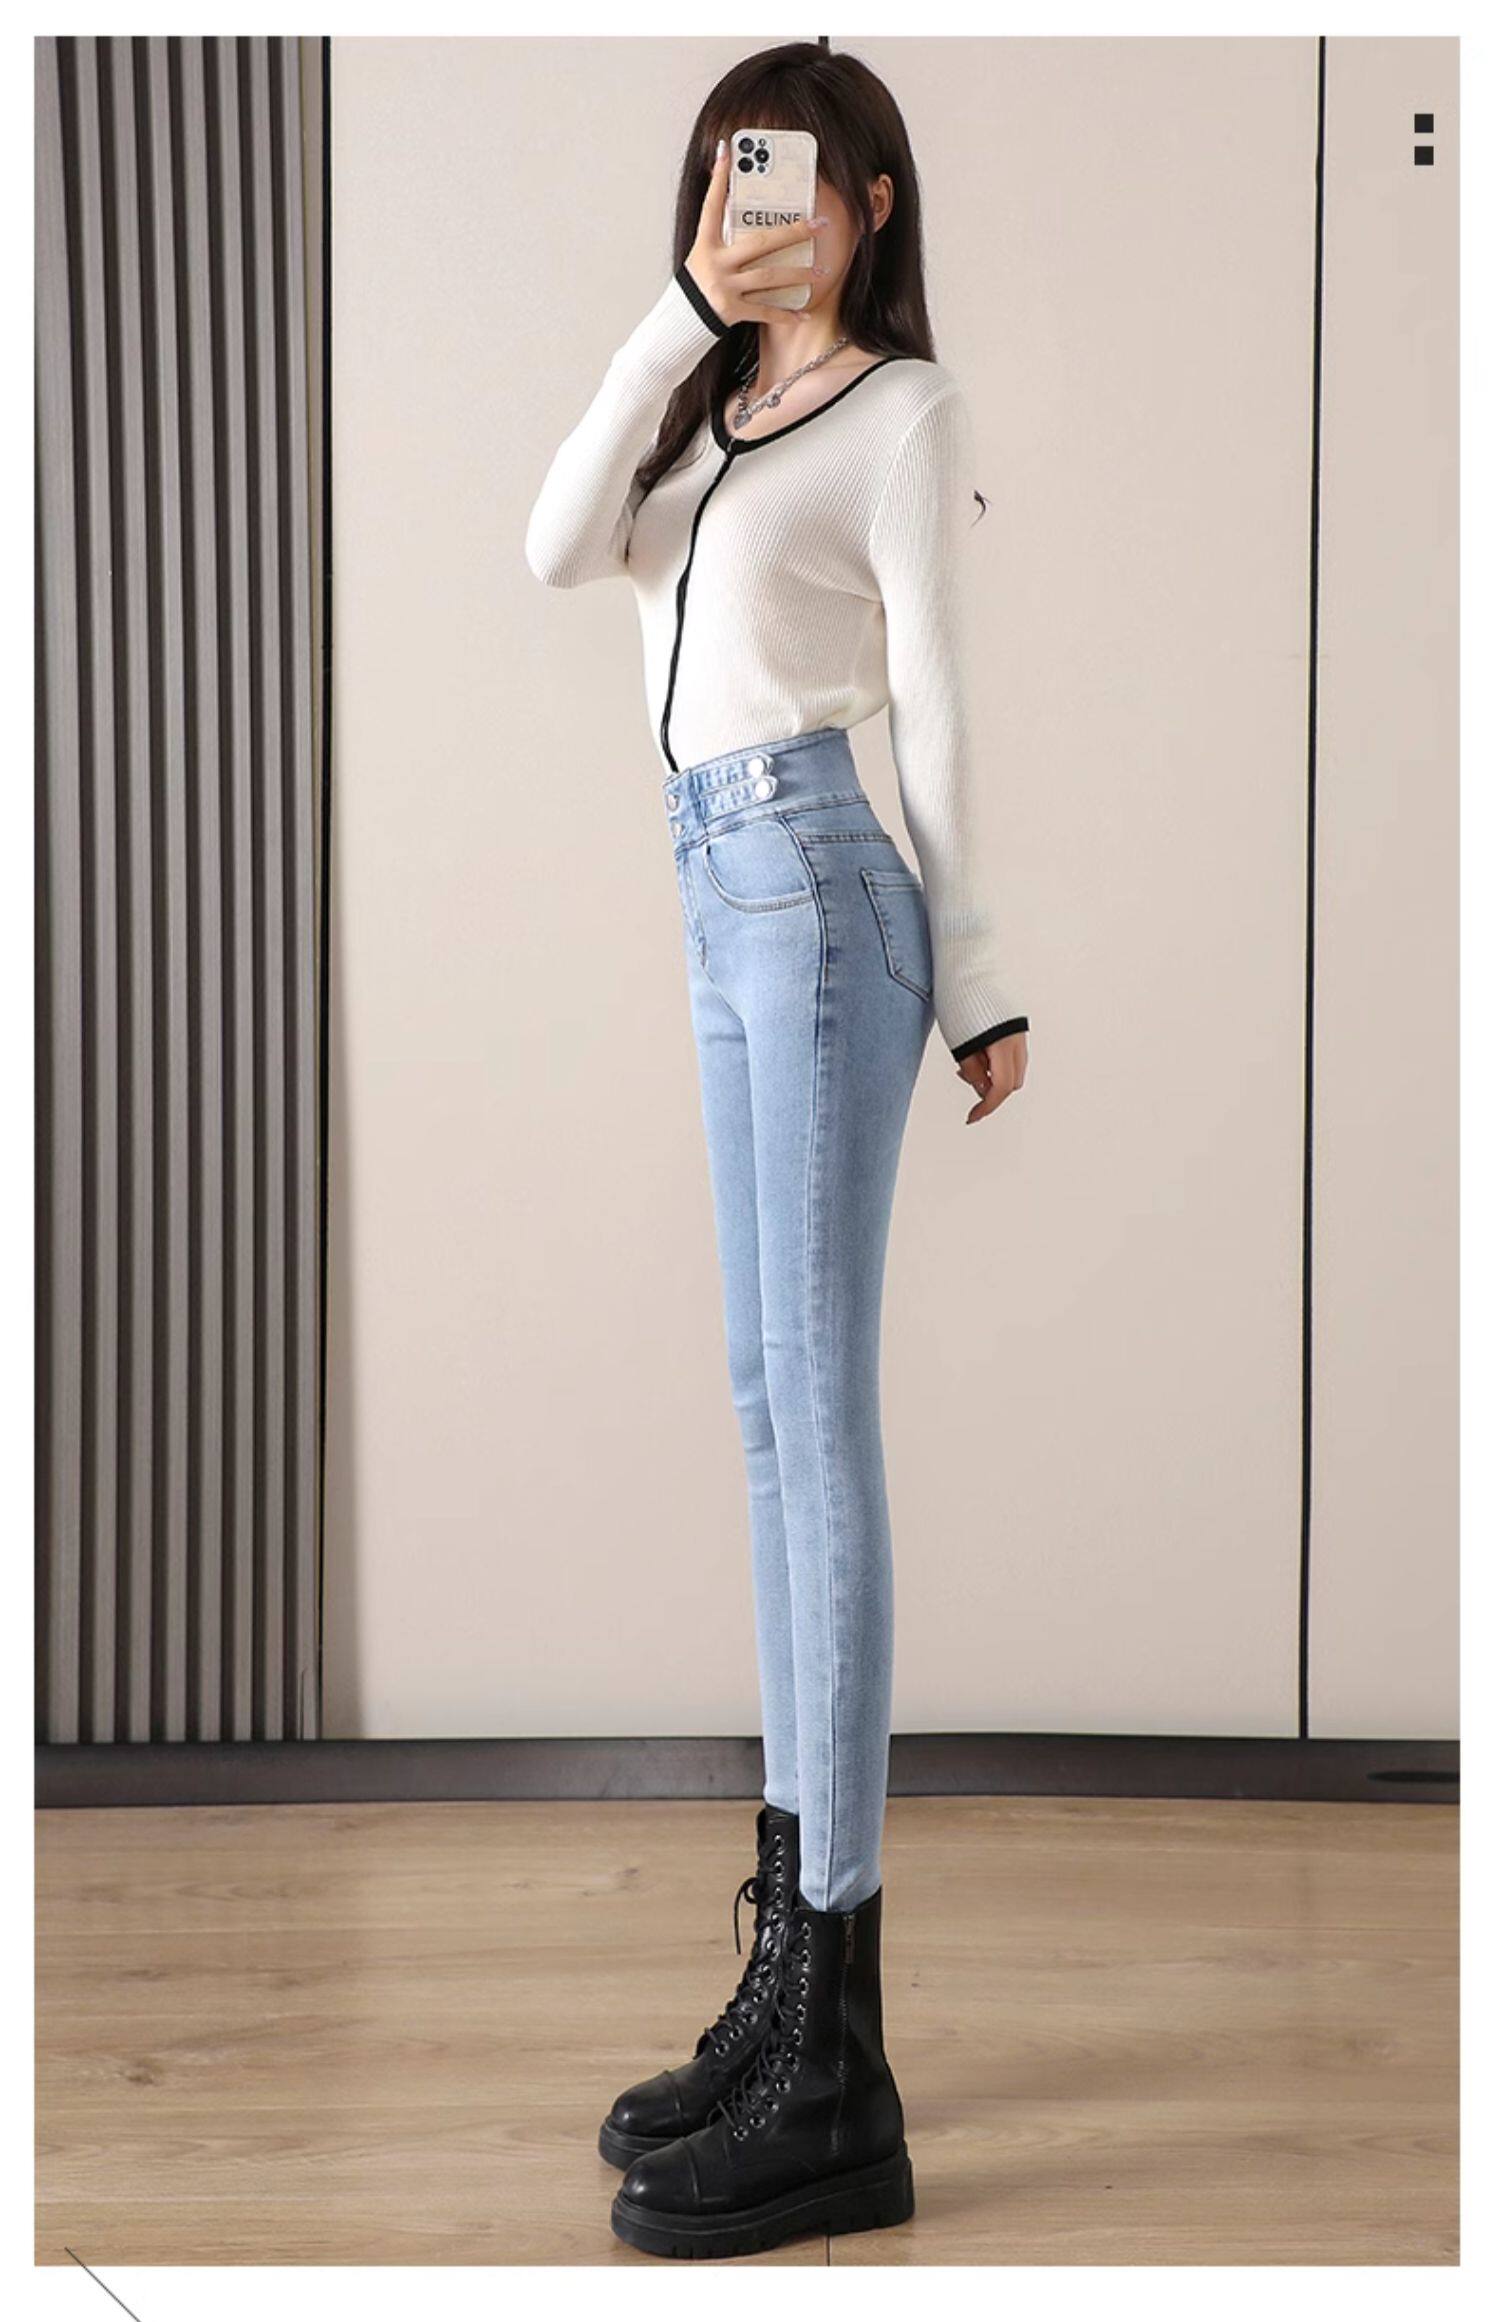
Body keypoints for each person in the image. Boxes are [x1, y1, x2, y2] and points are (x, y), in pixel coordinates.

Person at [524, 40, 1028, 2259]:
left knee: (815, 1426)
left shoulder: (904, 418)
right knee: (763, 1420)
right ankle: (795, 1985)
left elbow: (941, 700)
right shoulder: (706, 419)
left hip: (825, 893)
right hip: (718, 896)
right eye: (735, 174)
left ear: (873, 201)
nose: (767, 206)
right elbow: (555, 543)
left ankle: (840, 2059)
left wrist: (982, 969)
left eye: (803, 175)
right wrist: (675, 322)